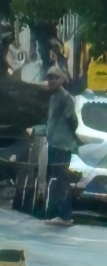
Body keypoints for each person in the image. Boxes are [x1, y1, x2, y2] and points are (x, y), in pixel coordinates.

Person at [44, 64, 79, 226]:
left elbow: (72, 121)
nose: (50, 81)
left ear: (61, 80)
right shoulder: (53, 97)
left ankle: (65, 216)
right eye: (49, 78)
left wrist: (64, 137)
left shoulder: (65, 98)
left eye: (54, 77)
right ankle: (56, 214)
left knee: (62, 180)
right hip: (53, 143)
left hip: (62, 145)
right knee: (56, 179)